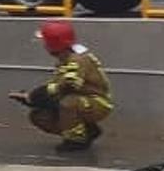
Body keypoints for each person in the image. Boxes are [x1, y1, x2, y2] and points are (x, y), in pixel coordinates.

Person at [10, 20, 113, 151]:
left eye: (46, 42)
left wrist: (39, 95)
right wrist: (33, 99)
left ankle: (76, 140)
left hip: (98, 102)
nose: (44, 45)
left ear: (53, 44)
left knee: (68, 103)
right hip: (82, 100)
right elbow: (59, 85)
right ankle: (87, 131)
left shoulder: (77, 60)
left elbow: (69, 85)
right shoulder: (66, 58)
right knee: (40, 116)